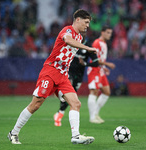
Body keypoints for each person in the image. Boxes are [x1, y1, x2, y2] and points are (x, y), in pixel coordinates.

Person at [8, 9, 97, 145]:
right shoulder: (67, 31)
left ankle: (76, 136)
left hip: (62, 75)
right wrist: (87, 48)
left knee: (76, 103)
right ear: (77, 20)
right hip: (50, 71)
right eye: (86, 22)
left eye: (88, 23)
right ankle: (13, 133)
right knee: (36, 104)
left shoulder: (79, 37)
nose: (87, 26)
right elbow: (67, 41)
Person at [54, 32, 99, 126]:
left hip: (79, 75)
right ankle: (60, 93)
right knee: (68, 90)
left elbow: (96, 62)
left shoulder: (88, 47)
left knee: (72, 97)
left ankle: (60, 112)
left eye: (82, 35)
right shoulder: (71, 43)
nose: (80, 36)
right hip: (68, 72)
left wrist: (85, 64)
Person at [87, 26, 115, 124]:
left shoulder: (104, 43)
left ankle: (96, 114)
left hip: (100, 70)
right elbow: (95, 59)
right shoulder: (97, 43)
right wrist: (108, 64)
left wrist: (104, 67)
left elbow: (100, 59)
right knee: (94, 92)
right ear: (102, 32)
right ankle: (92, 117)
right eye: (107, 32)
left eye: (110, 33)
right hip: (94, 70)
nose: (109, 35)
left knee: (106, 92)